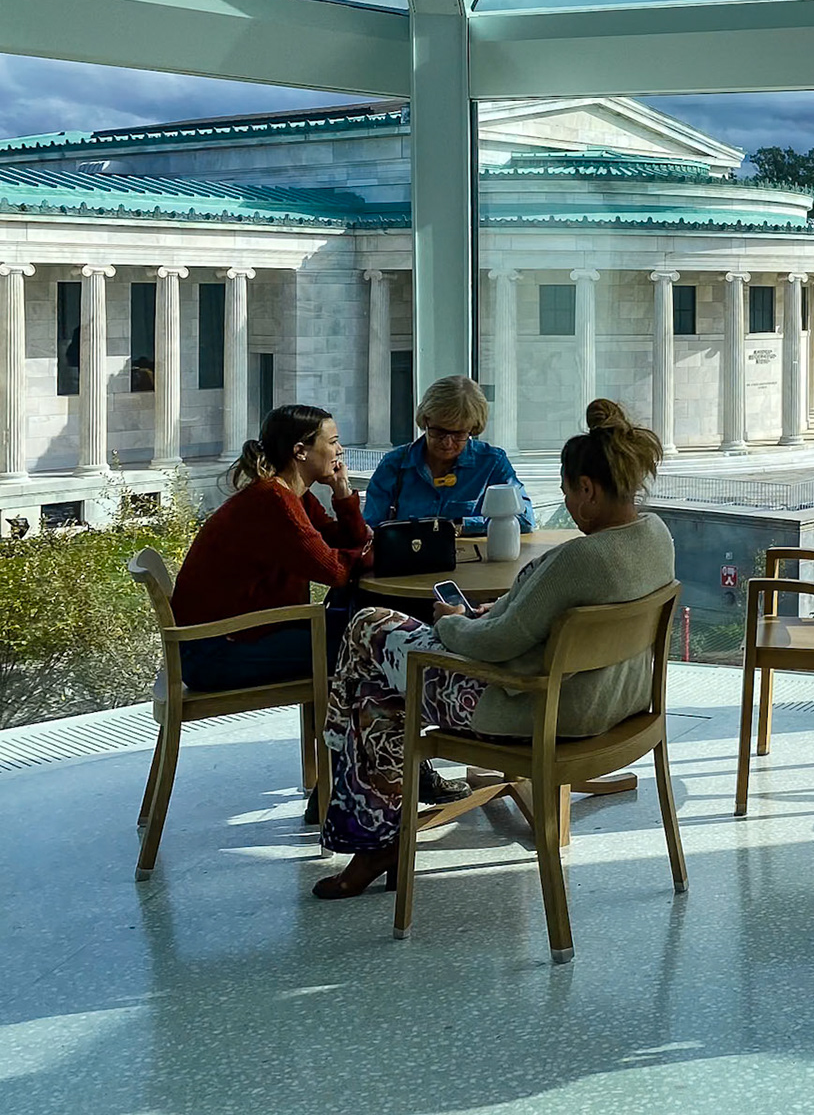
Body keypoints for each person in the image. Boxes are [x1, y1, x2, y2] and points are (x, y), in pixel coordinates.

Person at [314, 399, 675, 900]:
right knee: (378, 697)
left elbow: (496, 646)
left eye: (569, 492)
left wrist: (454, 625)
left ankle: (352, 795)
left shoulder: (580, 558)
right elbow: (531, 620)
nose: (568, 504)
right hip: (617, 701)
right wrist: (497, 612)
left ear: (588, 489)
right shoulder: (656, 536)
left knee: (365, 630)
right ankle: (376, 827)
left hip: (531, 704)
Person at [171, 405, 370, 692]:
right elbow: (336, 571)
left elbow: (345, 541)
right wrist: (371, 551)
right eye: (333, 441)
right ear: (300, 451)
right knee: (368, 644)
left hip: (240, 637)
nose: (340, 450)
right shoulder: (275, 502)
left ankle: (347, 733)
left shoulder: (293, 495)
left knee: (368, 629)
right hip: (214, 653)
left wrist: (342, 493)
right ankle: (359, 734)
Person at [364, 375, 533, 535]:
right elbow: (371, 527)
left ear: (472, 429)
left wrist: (462, 525)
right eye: (439, 431)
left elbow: (524, 520)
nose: (447, 443)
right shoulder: (394, 465)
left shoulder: (492, 464)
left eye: (458, 434)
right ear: (425, 421)